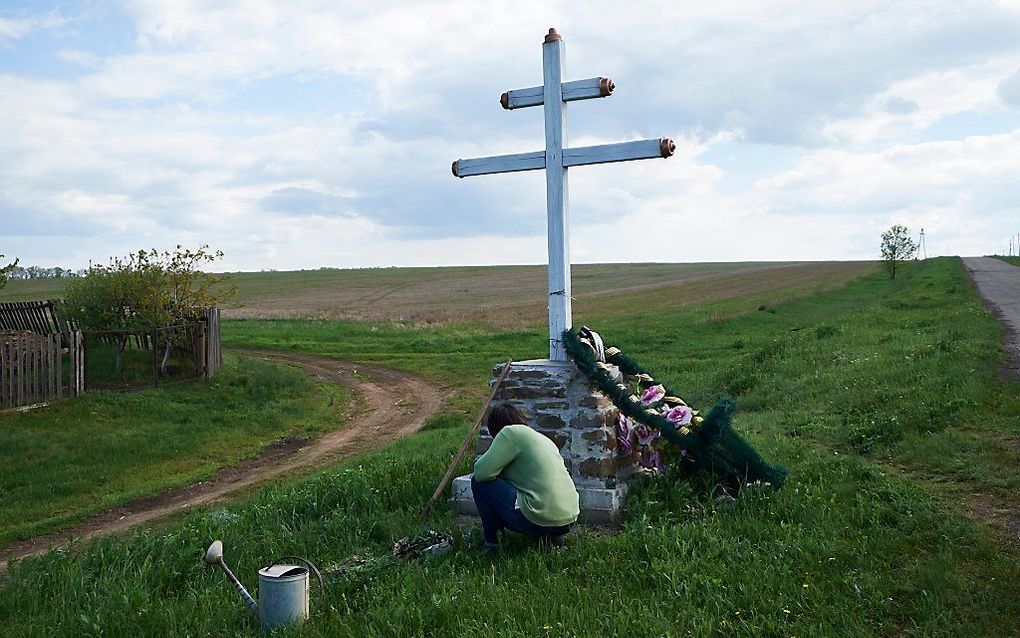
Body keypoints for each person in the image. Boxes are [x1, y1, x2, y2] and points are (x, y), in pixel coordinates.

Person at [471, 404, 580, 550]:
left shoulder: (509, 433)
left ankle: (493, 543)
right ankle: (551, 540)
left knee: (479, 483)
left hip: (540, 517)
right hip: (569, 517)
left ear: (495, 427)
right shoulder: (542, 438)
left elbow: (481, 473)